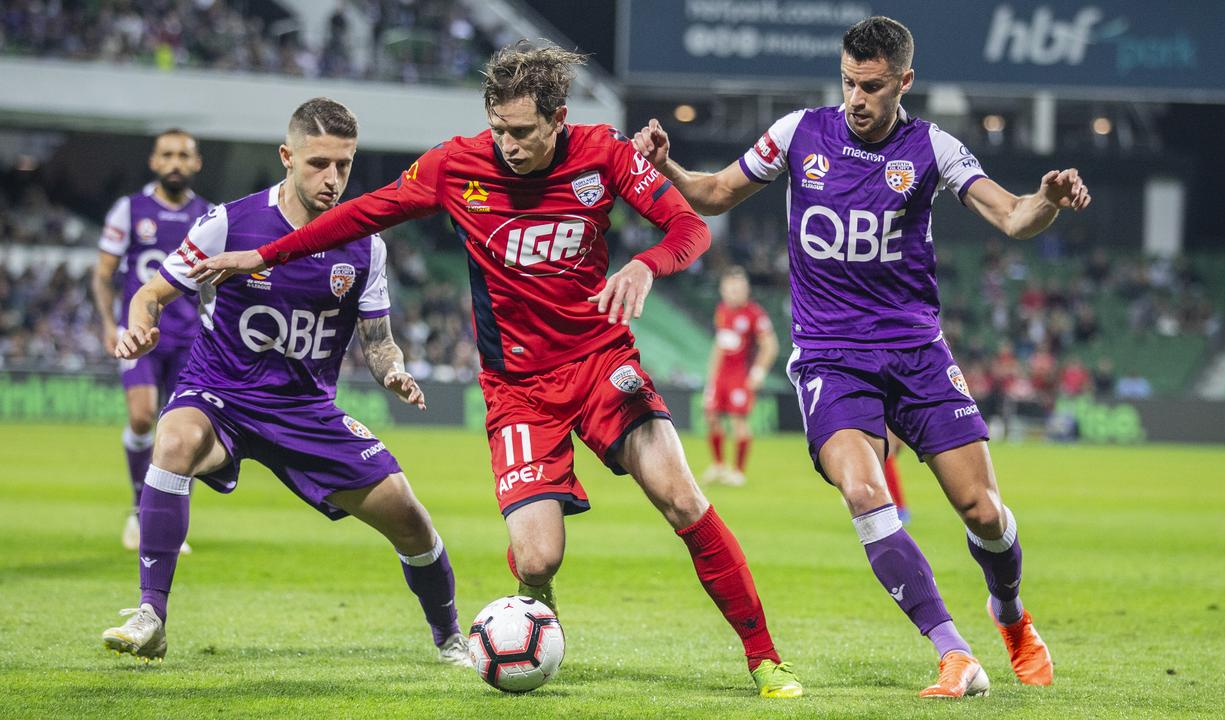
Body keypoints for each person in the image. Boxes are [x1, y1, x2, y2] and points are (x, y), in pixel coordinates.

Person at [187, 42, 803, 699]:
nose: (507, 143)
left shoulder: (606, 153)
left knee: (681, 496)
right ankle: (536, 602)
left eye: (522, 131)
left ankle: (765, 660)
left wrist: (643, 264)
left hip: (600, 363)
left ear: (558, 117)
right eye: (498, 128)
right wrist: (266, 256)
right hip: (517, 391)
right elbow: (363, 213)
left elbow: (689, 229)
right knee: (537, 558)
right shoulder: (457, 165)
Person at [631, 16, 1089, 698]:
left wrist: (1047, 201)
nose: (856, 99)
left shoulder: (933, 147)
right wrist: (666, 164)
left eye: (872, 87)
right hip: (829, 360)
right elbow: (715, 194)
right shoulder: (798, 134)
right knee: (866, 493)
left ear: (903, 81)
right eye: (848, 82)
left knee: (984, 513)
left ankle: (1011, 614)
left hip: (916, 353)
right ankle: (954, 652)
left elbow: (1013, 217)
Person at [100, 98, 468, 667]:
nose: (333, 178)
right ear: (286, 157)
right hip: (220, 394)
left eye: (344, 165)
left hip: (306, 411)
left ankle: (451, 640)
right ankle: (151, 615)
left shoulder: (366, 243)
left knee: (410, 520)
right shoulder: (230, 221)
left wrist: (392, 369)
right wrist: (136, 328)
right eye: (319, 163)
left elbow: (378, 340)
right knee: (170, 440)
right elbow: (151, 292)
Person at [91, 129, 209, 553]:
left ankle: (169, 525)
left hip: (193, 341)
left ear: (196, 164)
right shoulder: (130, 210)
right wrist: (109, 324)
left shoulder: (210, 216)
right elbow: (104, 274)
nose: (175, 162)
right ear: (154, 162)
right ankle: (140, 511)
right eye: (167, 155)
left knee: (187, 433)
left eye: (183, 155)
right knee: (143, 419)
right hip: (139, 335)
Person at [702, 266, 777, 486]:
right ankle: (718, 465)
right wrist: (711, 378)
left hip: (740, 376)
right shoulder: (722, 311)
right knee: (712, 418)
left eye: (738, 287)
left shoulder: (755, 314)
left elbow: (770, 345)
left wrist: (758, 372)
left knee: (738, 422)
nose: (734, 292)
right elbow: (719, 345)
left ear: (746, 289)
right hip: (721, 376)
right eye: (729, 288)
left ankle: (738, 471)